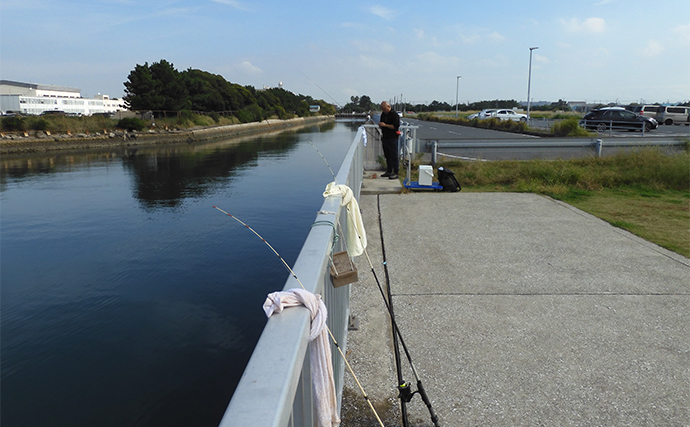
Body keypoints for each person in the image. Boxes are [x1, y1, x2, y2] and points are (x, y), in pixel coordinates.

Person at [378, 101, 401, 179]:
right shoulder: (383, 114)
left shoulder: (394, 115)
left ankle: (396, 172)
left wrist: (385, 125)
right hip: (385, 137)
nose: (384, 111)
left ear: (388, 107)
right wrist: (381, 125)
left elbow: (395, 126)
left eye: (385, 109)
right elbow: (382, 123)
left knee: (394, 155)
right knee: (387, 155)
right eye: (382, 110)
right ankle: (389, 170)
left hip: (392, 138)